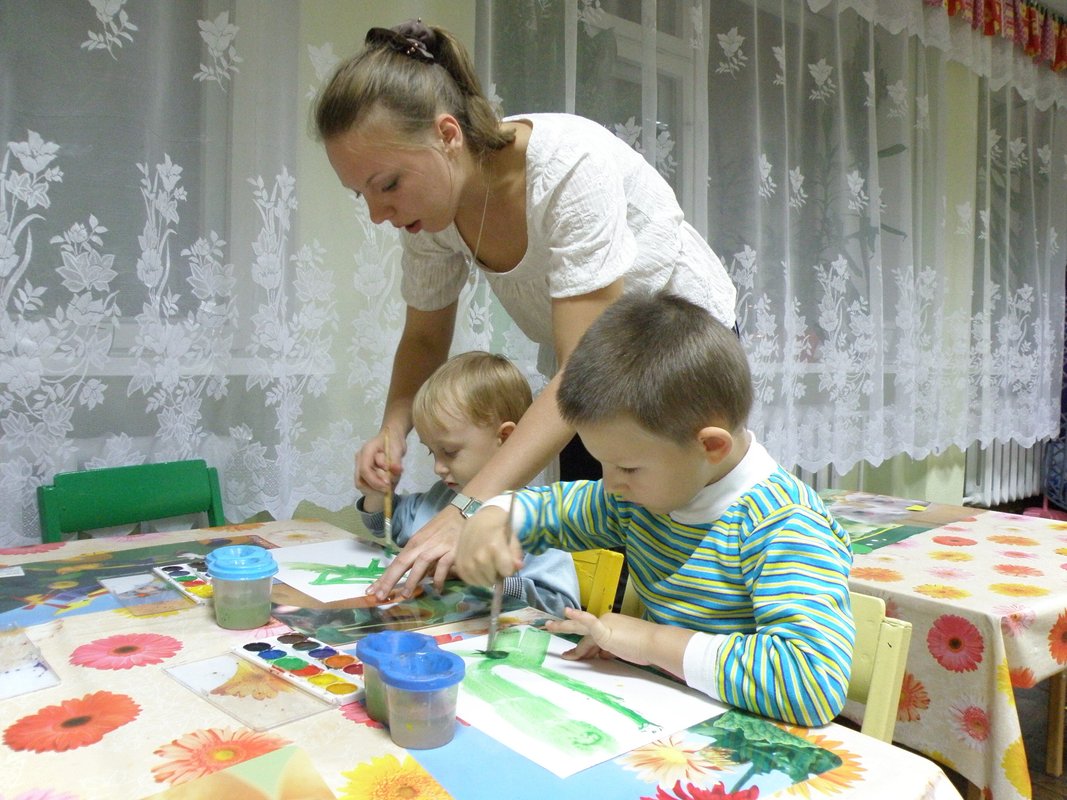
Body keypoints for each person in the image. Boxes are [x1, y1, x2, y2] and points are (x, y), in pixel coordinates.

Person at [314, 19, 737, 598]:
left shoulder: (568, 168)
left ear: (447, 135)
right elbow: (424, 339)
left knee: (685, 551)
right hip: (590, 370)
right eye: (361, 193)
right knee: (598, 556)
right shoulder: (431, 215)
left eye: (387, 184)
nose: (377, 212)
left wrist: (466, 509)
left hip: (682, 349)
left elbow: (579, 368)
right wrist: (392, 430)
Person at [453, 292, 854, 727]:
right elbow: (554, 509)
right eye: (603, 463)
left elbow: (811, 682)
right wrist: (493, 516)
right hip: (660, 716)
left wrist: (649, 642)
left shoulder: (784, 525)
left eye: (627, 467)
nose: (610, 484)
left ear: (710, 446)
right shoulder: (639, 497)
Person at [356, 351, 579, 617]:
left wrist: (484, 579)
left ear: (506, 438)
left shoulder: (536, 517)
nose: (438, 467)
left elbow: (561, 606)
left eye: (450, 452)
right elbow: (385, 525)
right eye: (431, 452)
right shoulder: (441, 498)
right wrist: (377, 491)